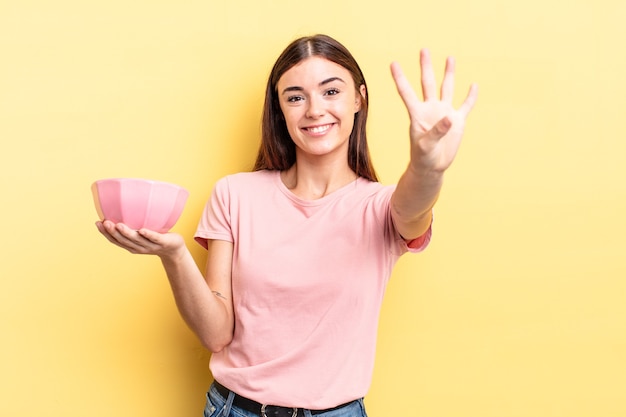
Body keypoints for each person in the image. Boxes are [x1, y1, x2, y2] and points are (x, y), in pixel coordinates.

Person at [96, 34, 477, 417]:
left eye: (331, 92)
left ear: (359, 98)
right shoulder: (235, 194)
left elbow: (414, 207)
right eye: (295, 97)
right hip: (233, 409)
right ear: (280, 110)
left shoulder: (380, 207)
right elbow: (216, 334)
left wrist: (428, 165)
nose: (314, 110)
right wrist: (174, 255)